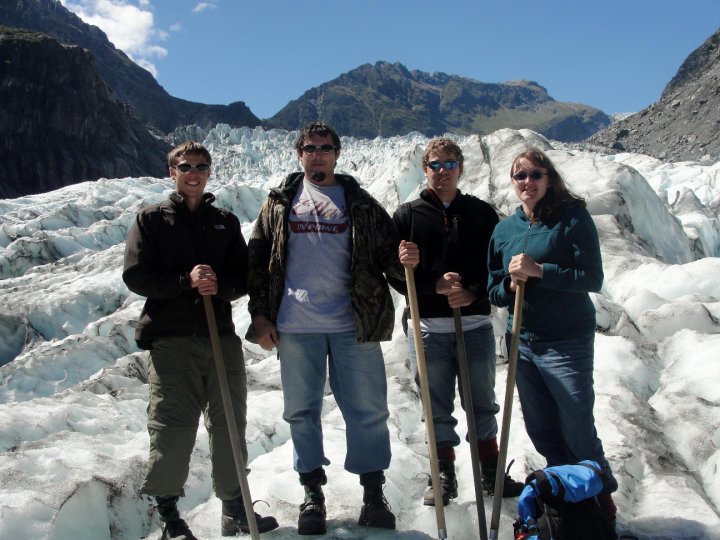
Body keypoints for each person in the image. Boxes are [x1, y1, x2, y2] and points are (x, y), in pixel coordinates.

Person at [246, 122, 403, 535]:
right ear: (299, 153)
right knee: (302, 411)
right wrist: (260, 314)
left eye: (326, 147)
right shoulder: (279, 202)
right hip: (296, 325)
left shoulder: (363, 205)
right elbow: (258, 259)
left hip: (354, 322)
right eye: (310, 148)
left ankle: (373, 495)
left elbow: (392, 256)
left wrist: (416, 270)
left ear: (337, 152)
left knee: (368, 411)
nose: (318, 154)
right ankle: (312, 493)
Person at [123, 141, 278, 540]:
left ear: (210, 172)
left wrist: (218, 287)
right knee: (173, 425)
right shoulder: (151, 219)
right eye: (185, 165)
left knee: (229, 421)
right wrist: (184, 282)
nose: (193, 172)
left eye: (201, 166)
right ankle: (169, 515)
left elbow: (241, 277)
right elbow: (136, 275)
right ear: (171, 172)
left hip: (219, 337)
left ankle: (234, 507)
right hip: (172, 339)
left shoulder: (224, 222)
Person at [487, 148, 619, 524]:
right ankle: (569, 498)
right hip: (522, 341)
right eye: (519, 176)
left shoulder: (571, 218)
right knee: (541, 426)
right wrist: (511, 284)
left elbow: (592, 277)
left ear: (549, 177)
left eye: (534, 175)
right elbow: (493, 289)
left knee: (577, 425)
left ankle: (602, 500)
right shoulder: (504, 230)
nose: (527, 182)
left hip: (565, 342)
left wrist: (541, 271)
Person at [392, 138, 524, 506]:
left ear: (461, 168)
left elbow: (497, 269)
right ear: (425, 169)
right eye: (435, 165)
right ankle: (443, 476)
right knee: (435, 407)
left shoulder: (481, 214)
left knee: (482, 403)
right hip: (429, 329)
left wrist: (473, 294)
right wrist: (429, 283)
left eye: (450, 164)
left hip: (475, 325)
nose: (443, 171)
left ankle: (490, 473)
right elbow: (390, 271)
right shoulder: (407, 216)